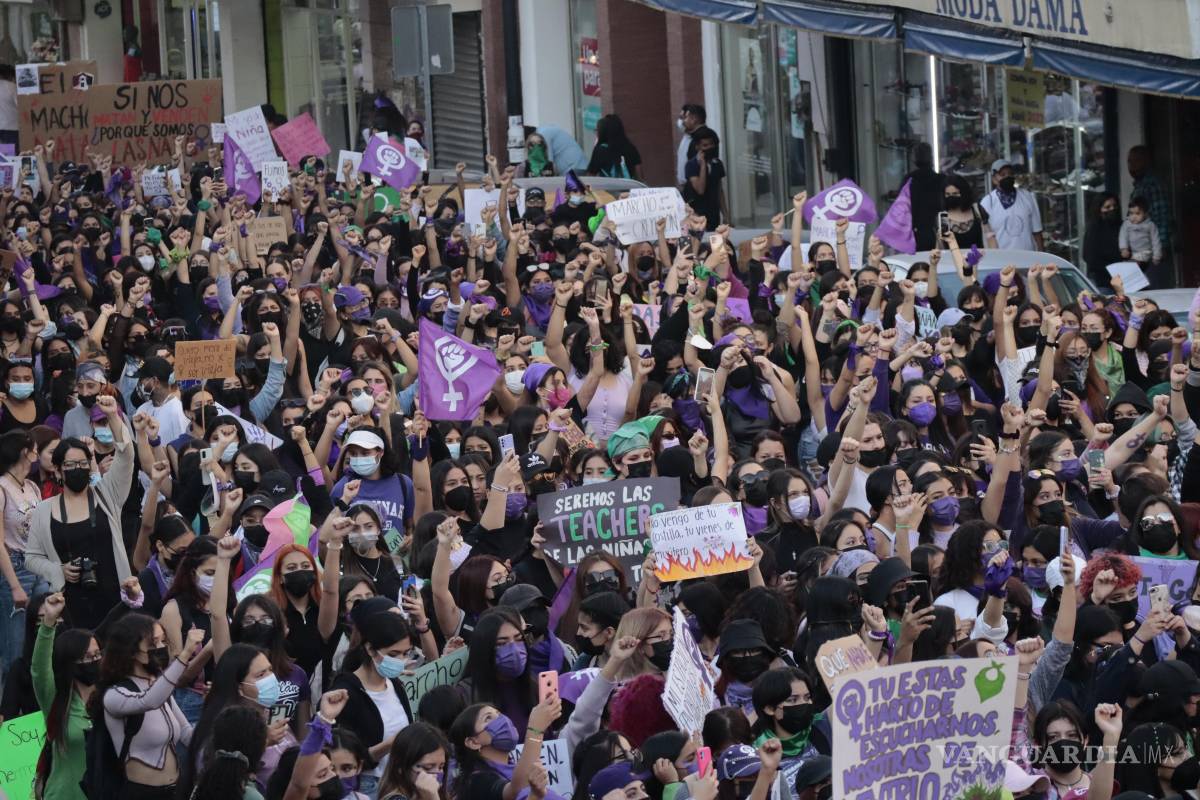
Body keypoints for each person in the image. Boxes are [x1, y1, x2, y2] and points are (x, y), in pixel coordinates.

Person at [1127, 144, 1173, 287]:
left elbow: (1162, 216)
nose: (1132, 166)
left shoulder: (1151, 185)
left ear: (1146, 161)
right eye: (1130, 162)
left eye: (1137, 161)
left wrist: (1161, 247)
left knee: (1156, 291)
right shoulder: (1139, 186)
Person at [979, 159, 1043, 251]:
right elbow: (985, 237)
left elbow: (1037, 231)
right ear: (994, 179)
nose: (1007, 177)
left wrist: (1042, 257)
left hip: (1029, 258)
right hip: (1002, 261)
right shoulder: (987, 203)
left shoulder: (1027, 197)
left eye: (1010, 173)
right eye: (1003, 174)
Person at [682, 127, 727, 231]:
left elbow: (719, 191)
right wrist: (703, 166)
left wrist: (725, 215)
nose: (709, 147)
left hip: (714, 214)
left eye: (711, 144)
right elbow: (700, 189)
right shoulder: (691, 165)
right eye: (705, 145)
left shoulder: (717, 163)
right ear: (698, 147)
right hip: (698, 214)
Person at [1083, 193, 1123, 287]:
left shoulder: (1122, 226)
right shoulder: (1094, 229)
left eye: (1114, 206)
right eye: (1107, 207)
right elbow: (1089, 257)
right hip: (1102, 281)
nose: (1112, 209)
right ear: (1099, 209)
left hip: (1123, 280)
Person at [587, 114, 642, 181]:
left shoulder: (600, 150)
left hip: (608, 190)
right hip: (628, 190)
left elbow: (590, 177)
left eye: (597, 130)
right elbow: (640, 177)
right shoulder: (630, 148)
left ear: (603, 132)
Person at [1119, 195, 1162, 274]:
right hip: (1132, 252)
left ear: (1145, 213)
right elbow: (1123, 236)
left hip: (1146, 252)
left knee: (1141, 266)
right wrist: (1124, 248)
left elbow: (1156, 240)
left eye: (1137, 213)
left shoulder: (1150, 225)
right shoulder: (1127, 224)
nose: (1134, 217)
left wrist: (1157, 255)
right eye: (1131, 213)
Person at [676, 103, 707, 186]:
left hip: (694, 184)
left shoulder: (698, 139)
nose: (681, 122)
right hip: (686, 185)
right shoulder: (687, 136)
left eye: (684, 118)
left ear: (693, 119)